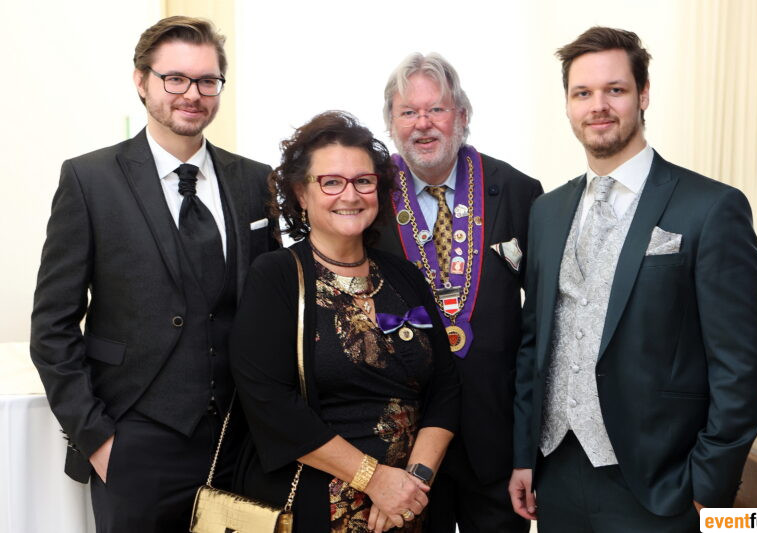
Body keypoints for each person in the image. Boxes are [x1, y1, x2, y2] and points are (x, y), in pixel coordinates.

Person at [510, 26, 757, 532]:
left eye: (615, 89)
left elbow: (741, 364)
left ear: (643, 94)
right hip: (557, 474)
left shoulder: (712, 207)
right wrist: (524, 455)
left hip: (662, 484)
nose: (598, 106)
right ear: (568, 105)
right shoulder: (546, 211)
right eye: (582, 93)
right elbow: (534, 345)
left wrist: (709, 483)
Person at [29, 16, 280, 532]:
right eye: (175, 78)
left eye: (207, 81)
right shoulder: (89, 180)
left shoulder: (256, 181)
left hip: (241, 442)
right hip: (134, 443)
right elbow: (52, 326)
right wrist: (97, 439)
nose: (192, 94)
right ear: (142, 81)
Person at [229, 110, 460, 533]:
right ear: (301, 193)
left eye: (363, 181)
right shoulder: (277, 276)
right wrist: (376, 480)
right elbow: (269, 402)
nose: (350, 195)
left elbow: (446, 387)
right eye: (331, 182)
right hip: (318, 507)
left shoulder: (404, 276)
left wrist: (413, 484)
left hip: (414, 506)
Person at [374, 52, 543, 532]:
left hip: (496, 437)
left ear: (462, 116)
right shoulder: (369, 197)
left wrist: (530, 447)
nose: (422, 124)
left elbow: (541, 323)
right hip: (404, 443)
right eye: (408, 112)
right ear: (391, 123)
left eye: (436, 109)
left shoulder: (518, 191)